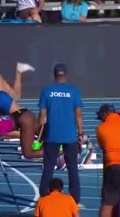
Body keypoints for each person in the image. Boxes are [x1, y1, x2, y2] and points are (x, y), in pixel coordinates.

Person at [38, 63, 84, 204]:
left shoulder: (47, 91)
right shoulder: (74, 91)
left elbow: (42, 115)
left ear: (54, 75)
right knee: (72, 169)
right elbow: (78, 115)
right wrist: (80, 133)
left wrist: (39, 135)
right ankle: (74, 200)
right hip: (69, 135)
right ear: (66, 75)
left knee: (48, 168)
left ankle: (44, 198)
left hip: (51, 135)